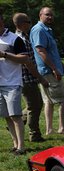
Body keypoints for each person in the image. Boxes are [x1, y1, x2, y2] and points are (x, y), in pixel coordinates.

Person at [30, 7, 64, 135]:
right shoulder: (39, 30)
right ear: (40, 15)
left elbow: (52, 53)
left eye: (51, 15)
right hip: (48, 71)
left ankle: (49, 129)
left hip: (48, 70)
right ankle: (62, 127)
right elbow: (41, 51)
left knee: (48, 101)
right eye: (47, 15)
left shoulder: (46, 30)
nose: (50, 17)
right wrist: (55, 69)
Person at [13, 13, 49, 143]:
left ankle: (18, 122)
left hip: (25, 78)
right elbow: (27, 63)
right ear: (22, 24)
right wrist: (40, 78)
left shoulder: (22, 37)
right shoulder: (21, 39)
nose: (30, 24)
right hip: (26, 78)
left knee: (33, 104)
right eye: (28, 21)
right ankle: (34, 134)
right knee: (35, 106)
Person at [0, 13, 30, 154]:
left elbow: (24, 58)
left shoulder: (14, 39)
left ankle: (21, 147)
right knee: (7, 116)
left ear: (2, 22)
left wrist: (5, 55)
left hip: (12, 82)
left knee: (15, 115)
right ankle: (15, 144)